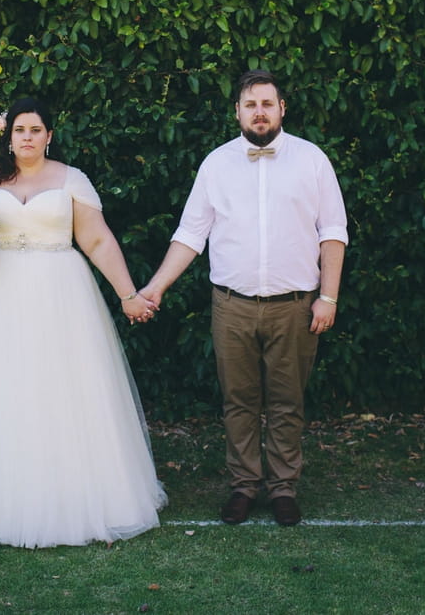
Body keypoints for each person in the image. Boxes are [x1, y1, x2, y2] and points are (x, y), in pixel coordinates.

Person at [0, 97, 167, 548]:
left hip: (60, 294)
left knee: (63, 386)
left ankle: (73, 490)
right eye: (19, 130)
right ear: (8, 136)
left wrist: (128, 294)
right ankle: (7, 492)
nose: (26, 138)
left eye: (35, 130)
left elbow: (97, 239)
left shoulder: (71, 180)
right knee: (5, 386)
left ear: (49, 135)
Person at [140, 70, 347, 526]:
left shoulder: (312, 161)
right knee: (238, 401)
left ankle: (283, 488)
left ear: (281, 109)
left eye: (267, 104)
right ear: (237, 111)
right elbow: (191, 234)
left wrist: (327, 298)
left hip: (295, 304)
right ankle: (243, 485)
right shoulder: (216, 164)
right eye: (250, 104)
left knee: (287, 401)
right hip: (231, 304)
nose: (259, 112)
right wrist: (155, 287)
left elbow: (333, 233)